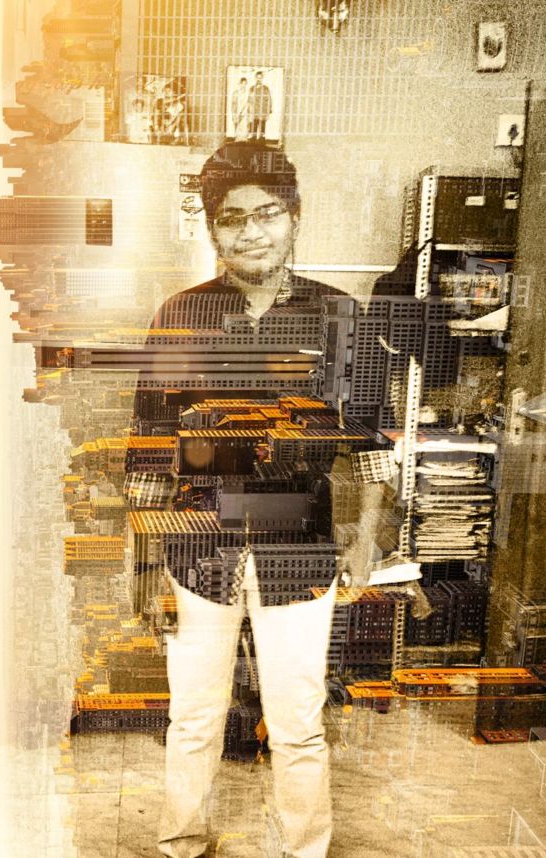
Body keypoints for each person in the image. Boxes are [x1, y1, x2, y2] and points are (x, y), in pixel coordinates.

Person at [131, 143, 346, 858]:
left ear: (295, 217)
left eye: (267, 214)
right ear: (212, 228)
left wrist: (369, 534)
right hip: (198, 548)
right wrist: (143, 565)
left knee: (298, 723)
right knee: (194, 717)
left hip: (301, 548)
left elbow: (369, 440)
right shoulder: (180, 315)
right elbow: (149, 443)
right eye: (232, 218)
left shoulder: (337, 314)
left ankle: (304, 849)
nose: (251, 232)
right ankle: (182, 843)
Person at [248, 71, 273, 140]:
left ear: (262, 78)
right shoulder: (252, 88)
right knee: (253, 132)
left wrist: (268, 112)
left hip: (262, 113)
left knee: (262, 133)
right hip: (254, 113)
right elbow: (249, 101)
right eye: (257, 78)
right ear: (255, 78)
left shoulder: (266, 88)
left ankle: (261, 142)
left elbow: (269, 100)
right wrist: (248, 112)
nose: (259, 79)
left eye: (260, 78)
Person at [231, 76, 249, 141]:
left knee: (244, 127)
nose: (243, 85)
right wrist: (234, 113)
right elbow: (233, 104)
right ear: (240, 84)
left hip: (245, 112)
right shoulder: (236, 93)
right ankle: (237, 139)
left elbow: (249, 103)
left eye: (245, 84)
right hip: (237, 112)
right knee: (237, 126)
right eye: (242, 84)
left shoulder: (248, 93)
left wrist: (245, 110)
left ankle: (244, 139)